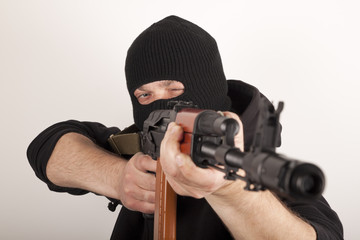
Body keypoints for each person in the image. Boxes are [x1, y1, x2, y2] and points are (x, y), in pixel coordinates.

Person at [27, 15, 343, 239]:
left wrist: (231, 190)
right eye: (144, 95)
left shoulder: (263, 177)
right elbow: (45, 149)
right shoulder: (139, 147)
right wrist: (119, 177)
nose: (159, 104)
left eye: (174, 89)